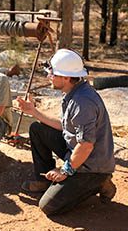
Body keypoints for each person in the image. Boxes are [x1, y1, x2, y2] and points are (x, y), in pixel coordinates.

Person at [17, 49, 116, 215]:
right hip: (77, 152)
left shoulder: (82, 102)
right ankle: (44, 180)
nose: (49, 77)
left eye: (53, 74)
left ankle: (100, 182)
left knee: (48, 206)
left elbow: (86, 146)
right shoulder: (73, 92)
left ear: (67, 78)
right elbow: (65, 127)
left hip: (91, 165)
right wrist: (33, 112)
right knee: (37, 129)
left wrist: (65, 170)